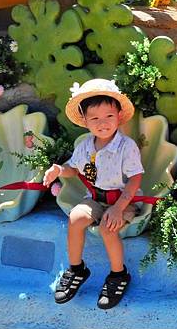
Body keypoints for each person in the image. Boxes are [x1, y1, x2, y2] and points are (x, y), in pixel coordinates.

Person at [43, 79, 144, 310]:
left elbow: (135, 179)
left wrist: (118, 208)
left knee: (108, 228)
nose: (103, 123)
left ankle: (119, 274)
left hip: (122, 199)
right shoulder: (85, 146)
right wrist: (59, 169)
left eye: (109, 116)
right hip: (95, 198)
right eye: (95, 118)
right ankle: (77, 269)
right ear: (85, 121)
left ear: (119, 115)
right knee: (76, 218)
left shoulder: (126, 146)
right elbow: (74, 169)